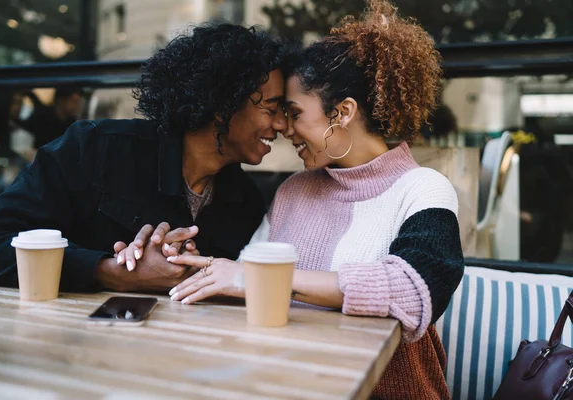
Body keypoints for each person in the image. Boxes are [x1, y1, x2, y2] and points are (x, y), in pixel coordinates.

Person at [152, 2, 463, 398]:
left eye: (295, 113)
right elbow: (243, 283)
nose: (284, 128)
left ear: (343, 112)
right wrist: (185, 263)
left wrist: (261, 280)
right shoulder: (294, 190)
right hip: (287, 383)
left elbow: (413, 292)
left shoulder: (422, 188)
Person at [0, 22, 288, 293]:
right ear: (223, 105)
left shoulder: (244, 202)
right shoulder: (94, 149)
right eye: (271, 108)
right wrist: (110, 271)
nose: (281, 125)